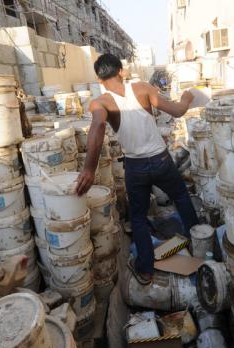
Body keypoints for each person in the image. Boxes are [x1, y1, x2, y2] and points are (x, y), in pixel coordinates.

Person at [76, 53, 199, 285]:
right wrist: (186, 97)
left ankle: (146, 270)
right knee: (181, 197)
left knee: (139, 217)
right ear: (121, 71)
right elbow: (178, 111)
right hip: (161, 160)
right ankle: (199, 243)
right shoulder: (142, 88)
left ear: (98, 79)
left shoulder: (100, 102)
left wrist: (89, 169)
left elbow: (98, 125)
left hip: (135, 167)